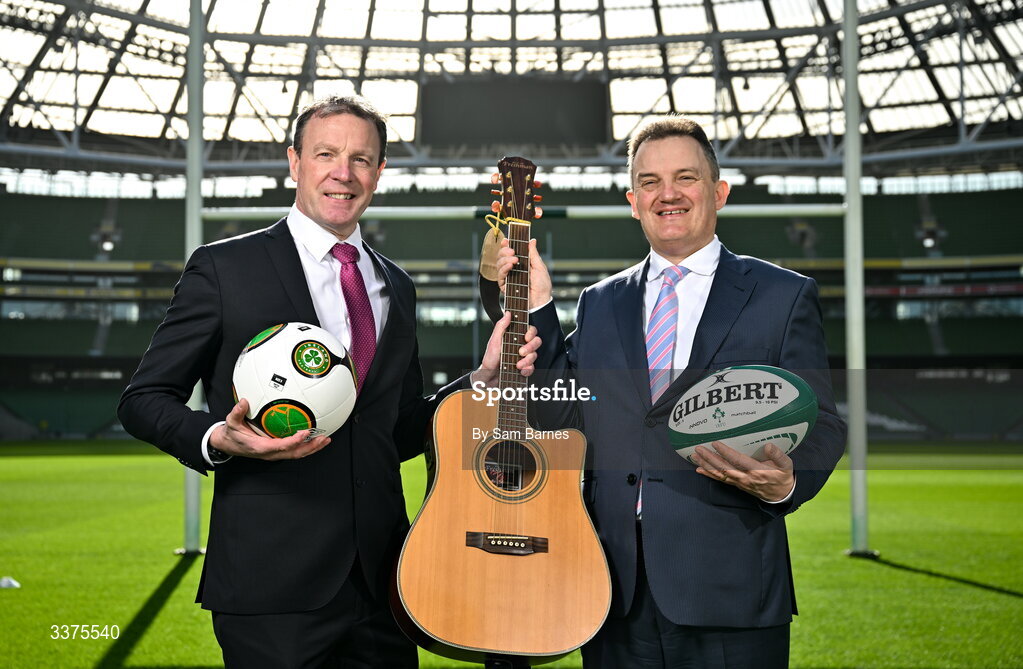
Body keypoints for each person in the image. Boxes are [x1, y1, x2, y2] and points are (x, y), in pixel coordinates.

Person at [118, 95, 540, 668]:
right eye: (326, 154)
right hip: (273, 583)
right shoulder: (224, 268)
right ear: (295, 162)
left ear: (380, 172)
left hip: (386, 582)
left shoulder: (397, 286)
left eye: (361, 159)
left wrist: (481, 377)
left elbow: (393, 430)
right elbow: (143, 400)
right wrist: (218, 438)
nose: (344, 173)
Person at [498, 116, 847, 668]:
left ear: (719, 191)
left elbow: (823, 422)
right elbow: (558, 413)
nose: (669, 194)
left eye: (686, 177)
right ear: (633, 200)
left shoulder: (782, 295)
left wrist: (787, 483)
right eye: (651, 182)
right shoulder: (600, 301)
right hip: (613, 589)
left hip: (728, 588)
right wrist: (539, 303)